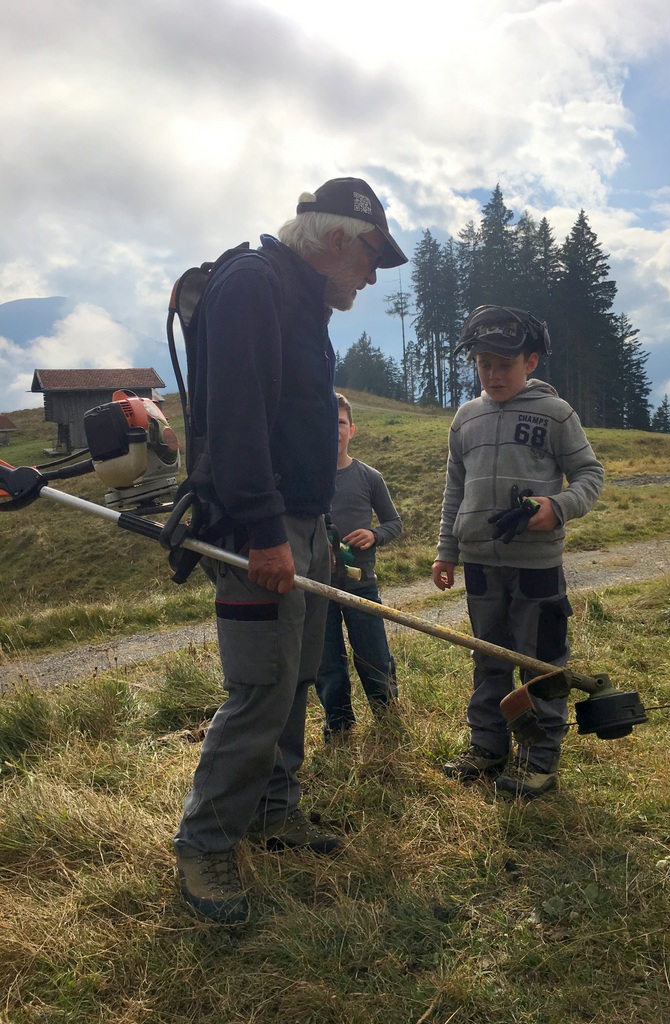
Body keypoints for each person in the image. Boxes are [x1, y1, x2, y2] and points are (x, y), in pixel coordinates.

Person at [173, 178, 408, 926]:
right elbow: (235, 421)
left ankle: (275, 811)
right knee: (260, 689)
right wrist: (268, 532)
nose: (373, 276)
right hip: (258, 530)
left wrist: (306, 530)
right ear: (336, 238)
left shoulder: (303, 301)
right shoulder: (253, 284)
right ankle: (204, 843)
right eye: (372, 256)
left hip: (303, 524)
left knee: (299, 675)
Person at [431, 305, 604, 799]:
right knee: (488, 659)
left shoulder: (556, 414)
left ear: (530, 361)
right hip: (481, 565)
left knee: (542, 662)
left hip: (537, 567)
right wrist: (447, 551)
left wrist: (558, 506)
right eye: (482, 364)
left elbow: (590, 475)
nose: (491, 374)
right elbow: (454, 490)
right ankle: (487, 748)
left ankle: (538, 760)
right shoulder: (465, 418)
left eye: (502, 364)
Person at [315, 392, 402, 740]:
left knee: (374, 656)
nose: (333, 429)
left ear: (352, 430)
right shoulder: (306, 479)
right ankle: (338, 726)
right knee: (327, 664)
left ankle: (388, 716)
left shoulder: (369, 477)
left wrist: (374, 534)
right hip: (318, 587)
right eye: (326, 423)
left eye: (339, 423)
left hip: (361, 584)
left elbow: (394, 523)